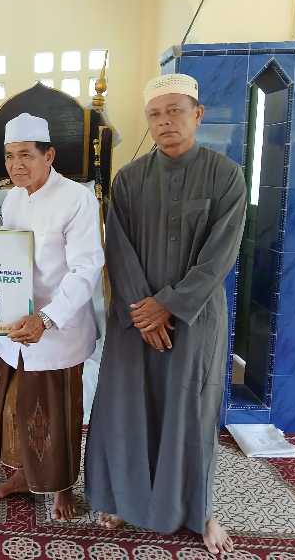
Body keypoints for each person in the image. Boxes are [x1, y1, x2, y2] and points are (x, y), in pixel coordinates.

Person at [84, 74, 247, 554]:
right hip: (136, 320)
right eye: (155, 114)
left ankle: (199, 511)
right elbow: (119, 247)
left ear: (197, 114)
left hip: (193, 321)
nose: (165, 122)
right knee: (125, 408)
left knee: (190, 412)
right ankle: (115, 497)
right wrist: (143, 313)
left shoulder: (225, 176)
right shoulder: (130, 179)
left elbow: (220, 254)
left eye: (175, 111)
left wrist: (168, 306)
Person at [0, 113, 104, 520]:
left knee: (55, 413)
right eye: (10, 156)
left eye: (26, 155)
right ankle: (20, 476)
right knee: (14, 408)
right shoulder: (12, 198)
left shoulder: (77, 199)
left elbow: (87, 268)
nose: (16, 165)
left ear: (49, 155)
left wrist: (46, 319)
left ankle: (62, 486)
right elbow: (13, 258)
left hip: (56, 330)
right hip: (14, 329)